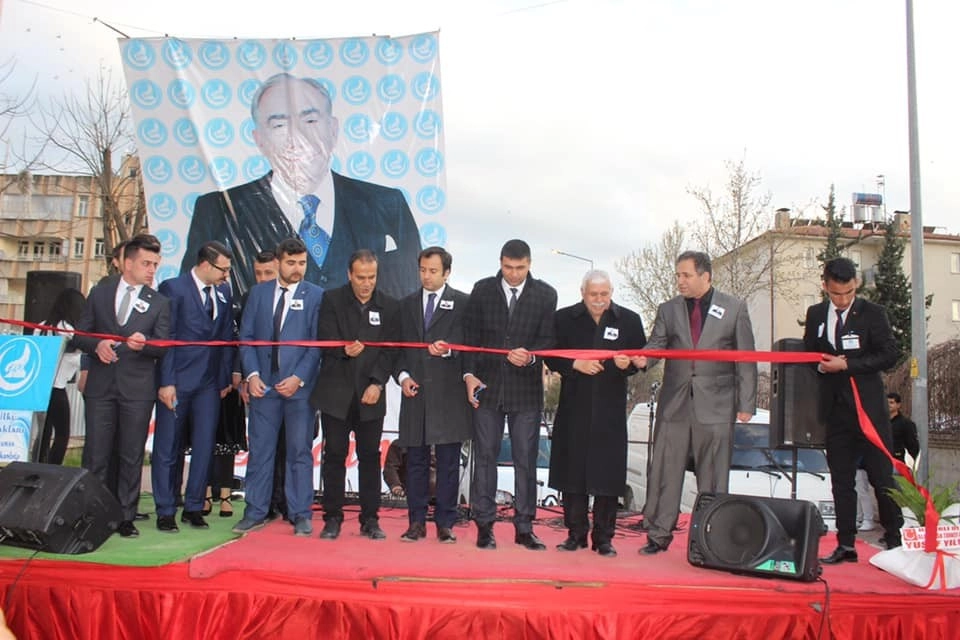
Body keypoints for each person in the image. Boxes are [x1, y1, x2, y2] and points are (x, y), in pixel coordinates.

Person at [182, 72, 421, 300]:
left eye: (310, 120)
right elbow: (191, 292)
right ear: (259, 140)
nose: (297, 137)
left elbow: (412, 285)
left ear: (333, 130)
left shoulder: (386, 203)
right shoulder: (219, 210)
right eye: (279, 125)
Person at [640, 250, 757, 555]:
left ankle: (711, 540)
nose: (680, 281)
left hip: (717, 405)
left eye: (686, 275)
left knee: (713, 476)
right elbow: (657, 345)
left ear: (706, 276)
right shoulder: (668, 310)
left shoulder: (734, 309)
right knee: (666, 470)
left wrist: (746, 403)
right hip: (675, 405)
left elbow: (746, 359)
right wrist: (642, 359)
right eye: (677, 275)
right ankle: (658, 535)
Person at [803, 257, 903, 563]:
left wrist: (847, 364)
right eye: (836, 294)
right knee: (841, 479)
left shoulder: (873, 314)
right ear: (825, 286)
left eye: (848, 293)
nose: (843, 300)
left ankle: (895, 539)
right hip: (836, 411)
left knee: (882, 477)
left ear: (855, 285)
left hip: (869, 411)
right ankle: (846, 543)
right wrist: (821, 367)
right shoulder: (816, 314)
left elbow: (889, 355)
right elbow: (809, 353)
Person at [462, 239, 558, 551]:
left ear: (529, 264)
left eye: (520, 268)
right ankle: (484, 525)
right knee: (486, 457)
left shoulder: (546, 294)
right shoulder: (482, 290)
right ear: (500, 262)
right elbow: (470, 338)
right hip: (487, 387)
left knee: (525, 460)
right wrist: (469, 375)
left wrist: (531, 357)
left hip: (526, 391)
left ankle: (525, 527)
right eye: (508, 268)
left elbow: (548, 339)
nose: (514, 274)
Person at [545, 270, 647, 557]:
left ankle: (604, 538)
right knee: (572, 475)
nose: (599, 300)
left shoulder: (629, 320)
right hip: (574, 407)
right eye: (594, 295)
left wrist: (631, 363)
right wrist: (575, 365)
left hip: (610, 410)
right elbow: (549, 354)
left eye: (604, 294)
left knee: (607, 477)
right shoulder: (564, 318)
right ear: (582, 292)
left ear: (611, 292)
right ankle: (575, 534)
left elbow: (642, 359)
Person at [74, 234, 170, 538]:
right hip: (101, 387)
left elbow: (164, 346)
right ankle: (91, 514)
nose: (152, 269)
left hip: (137, 390)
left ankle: (126, 516)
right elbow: (79, 335)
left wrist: (145, 345)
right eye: (146, 263)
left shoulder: (159, 302)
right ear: (127, 263)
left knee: (131, 455)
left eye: (155, 264)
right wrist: (97, 344)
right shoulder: (100, 293)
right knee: (95, 454)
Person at [233, 238, 324, 537]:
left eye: (302, 264)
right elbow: (245, 338)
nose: (297, 269)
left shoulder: (316, 296)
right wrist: (253, 374)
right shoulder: (258, 295)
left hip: (299, 391)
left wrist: (299, 377)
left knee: (299, 452)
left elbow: (316, 345)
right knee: (260, 451)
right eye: (291, 263)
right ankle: (255, 511)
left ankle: (300, 514)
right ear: (279, 262)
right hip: (263, 389)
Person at [312, 249, 399, 541]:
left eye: (371, 277)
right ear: (349, 274)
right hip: (336, 394)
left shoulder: (389, 306)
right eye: (360, 277)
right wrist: (342, 350)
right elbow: (323, 339)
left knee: (370, 458)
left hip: (371, 396)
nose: (366, 283)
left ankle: (370, 519)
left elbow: (390, 351)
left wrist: (377, 383)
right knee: (334, 455)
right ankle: (332, 517)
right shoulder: (332, 299)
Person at [153, 241, 236, 532]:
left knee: (204, 446)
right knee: (167, 445)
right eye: (223, 269)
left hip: (210, 384)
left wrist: (225, 378)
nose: (226, 275)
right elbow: (166, 338)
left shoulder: (224, 291)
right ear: (205, 264)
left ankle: (194, 506)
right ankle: (165, 509)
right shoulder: (173, 289)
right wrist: (166, 382)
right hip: (177, 382)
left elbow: (226, 337)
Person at [393, 246, 472, 543]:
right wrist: (402, 377)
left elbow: (470, 346)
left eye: (433, 271)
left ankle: (445, 522)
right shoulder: (405, 306)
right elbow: (396, 350)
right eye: (423, 270)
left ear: (447, 272)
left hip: (449, 396)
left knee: (450, 462)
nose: (427, 276)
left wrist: (450, 349)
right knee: (415, 462)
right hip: (415, 395)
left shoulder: (464, 304)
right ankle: (415, 522)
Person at [32, 288, 86, 465]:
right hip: (57, 387)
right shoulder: (67, 328)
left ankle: (37, 466)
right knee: (62, 434)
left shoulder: (42, 325)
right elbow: (75, 356)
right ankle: (53, 468)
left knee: (44, 432)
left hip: (40, 387)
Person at [888, 392, 920, 464]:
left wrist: (909, 464)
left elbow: (913, 446)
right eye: (886, 402)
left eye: (891, 402)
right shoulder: (881, 423)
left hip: (899, 463)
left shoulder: (906, 424)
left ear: (898, 405)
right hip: (882, 462)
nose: (888, 405)